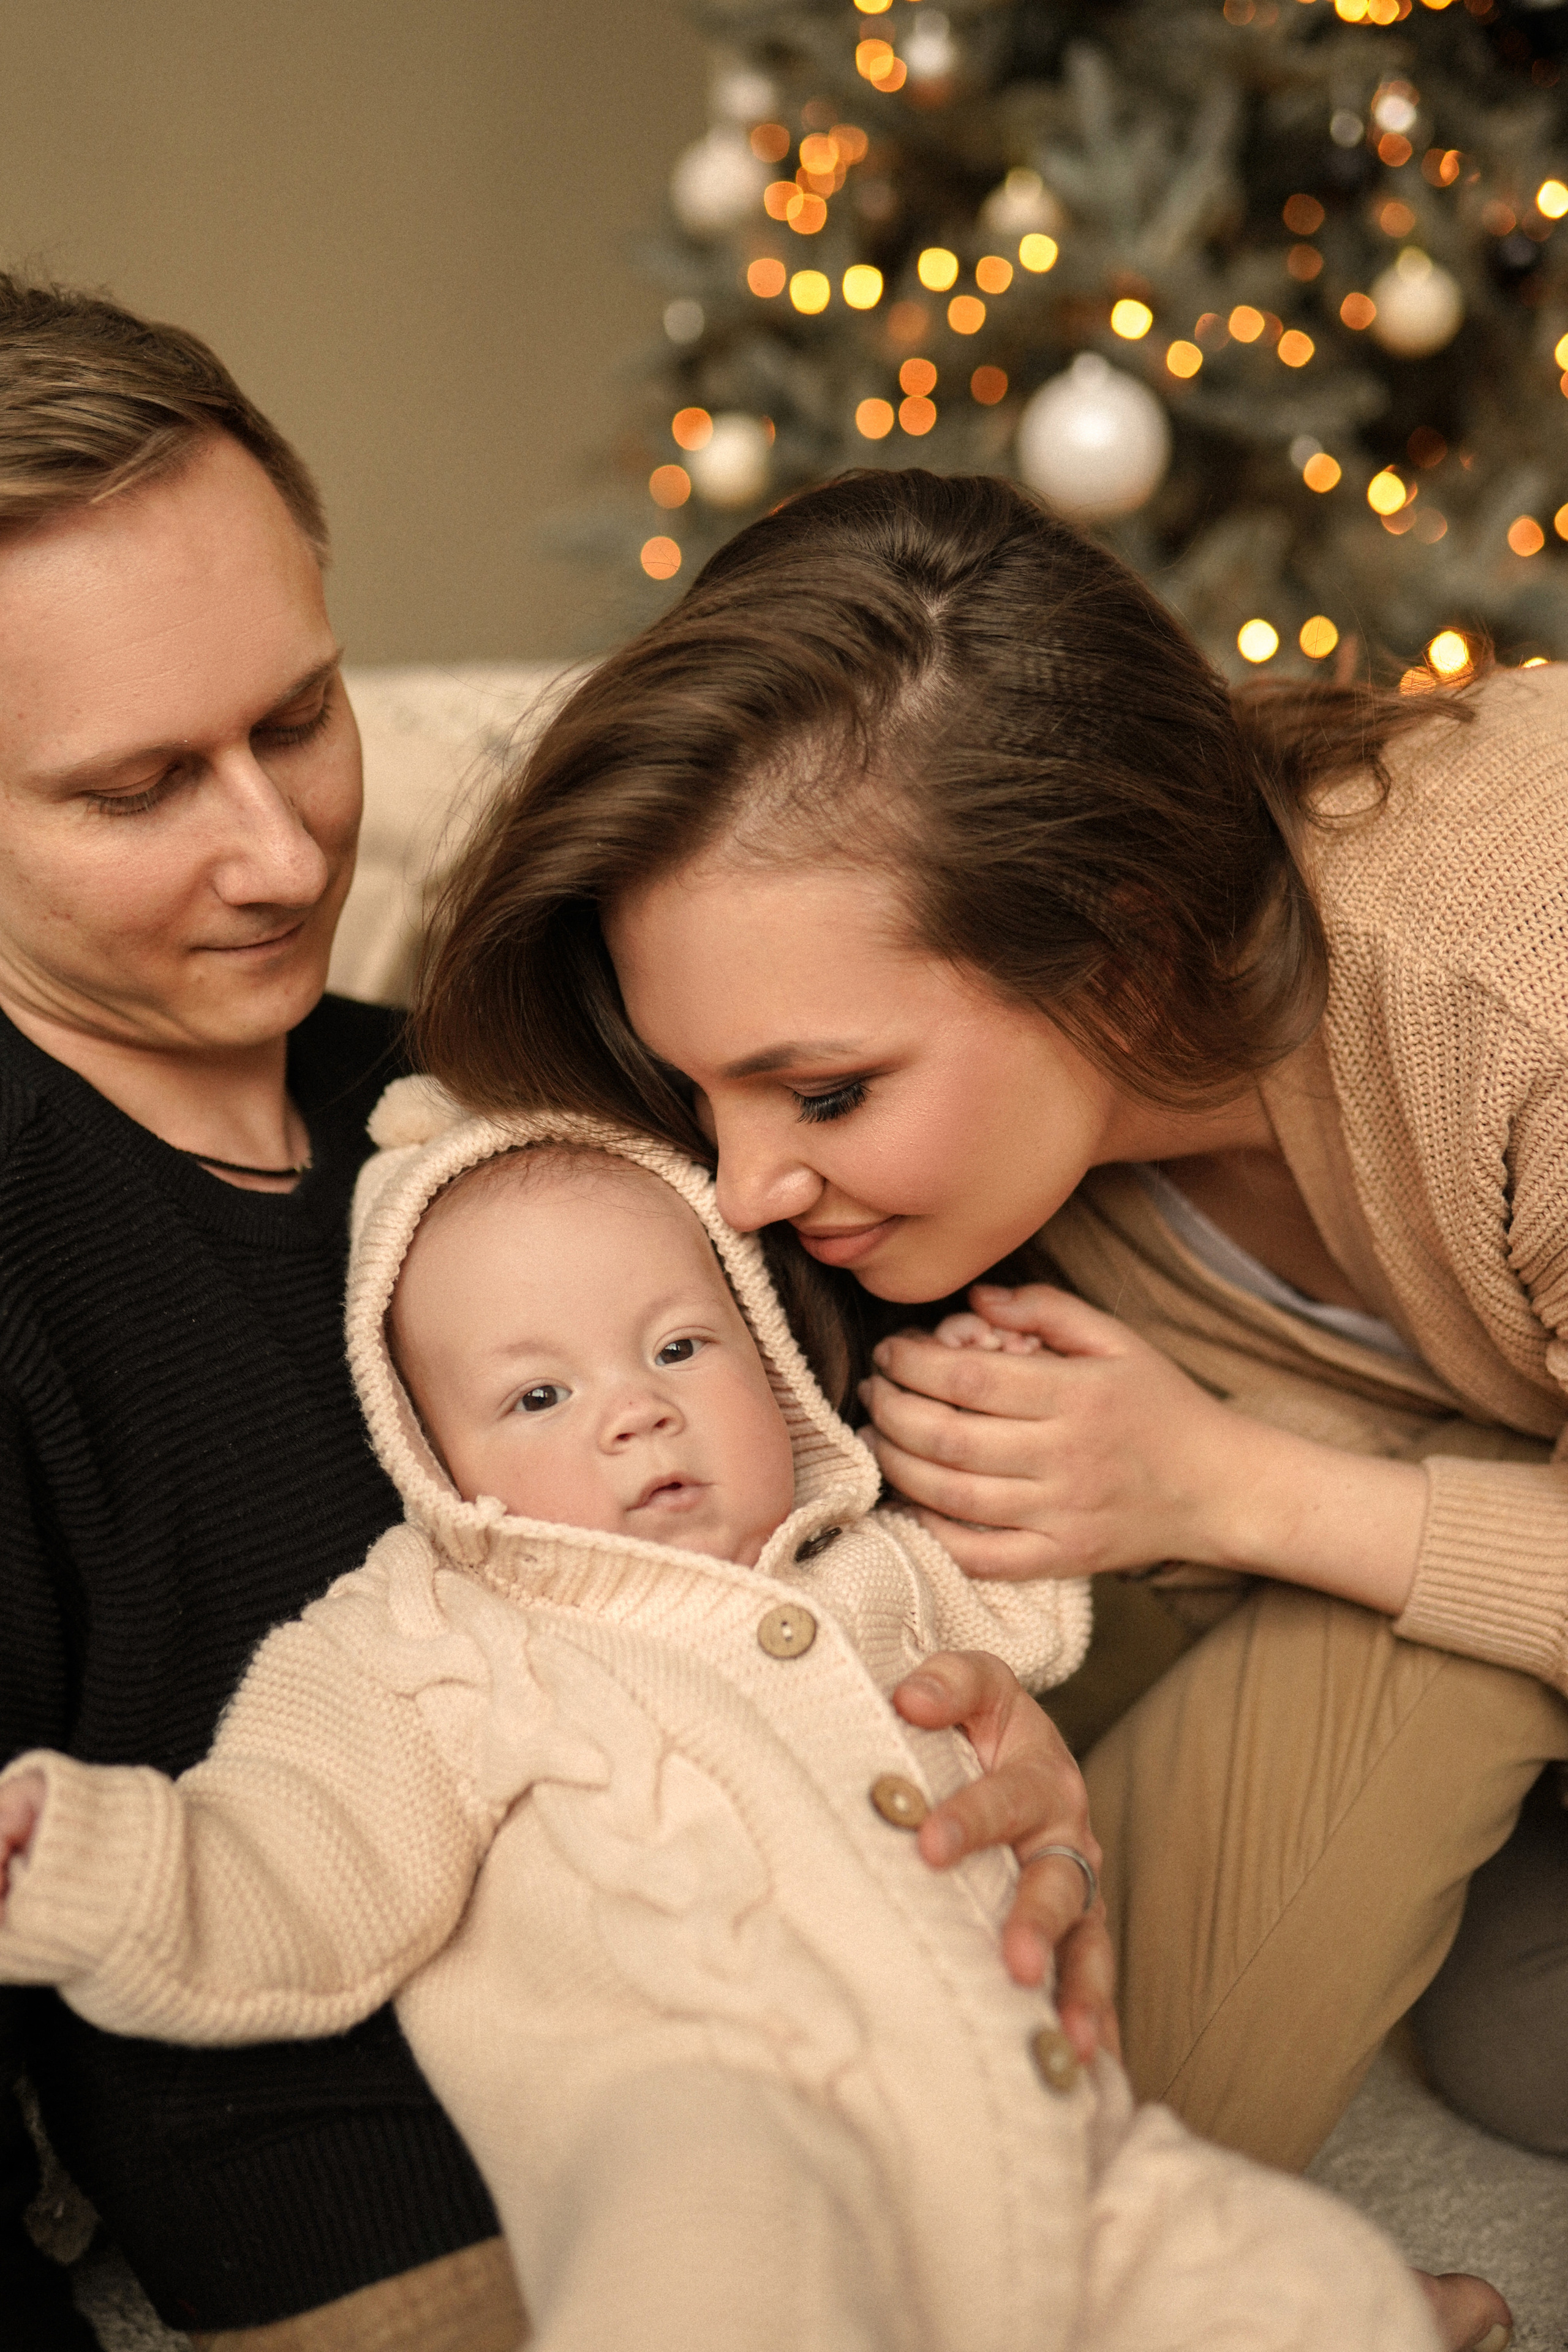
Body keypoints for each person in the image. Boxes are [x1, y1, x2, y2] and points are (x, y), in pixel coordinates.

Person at [0, 285, 1107, 2351]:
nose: (279, 850)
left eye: (300, 716)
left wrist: (1012, 1745)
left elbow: (852, 1522)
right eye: (140, 786)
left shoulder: (514, 1085)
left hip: (924, 2055)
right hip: (442, 2225)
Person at [412, 464, 1568, 2237]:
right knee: (1509, 2032)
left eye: (824, 1091)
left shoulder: (1515, 984)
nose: (742, 1183)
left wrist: (1246, 1490)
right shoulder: (977, 1162)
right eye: (700, 1088)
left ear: (1118, 942)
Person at [0, 1085, 1453, 2352]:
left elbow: (1039, 1582)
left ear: (769, 1356)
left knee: (1310, 2282)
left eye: (681, 1349)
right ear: (431, 1459)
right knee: (715, 2280)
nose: (633, 1413)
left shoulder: (868, 1565)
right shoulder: (429, 1639)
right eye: (540, 1392)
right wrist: (84, 1859)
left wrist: (1001, 1411)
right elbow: (300, 1857)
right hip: (715, 2138)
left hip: (1041, 2133)